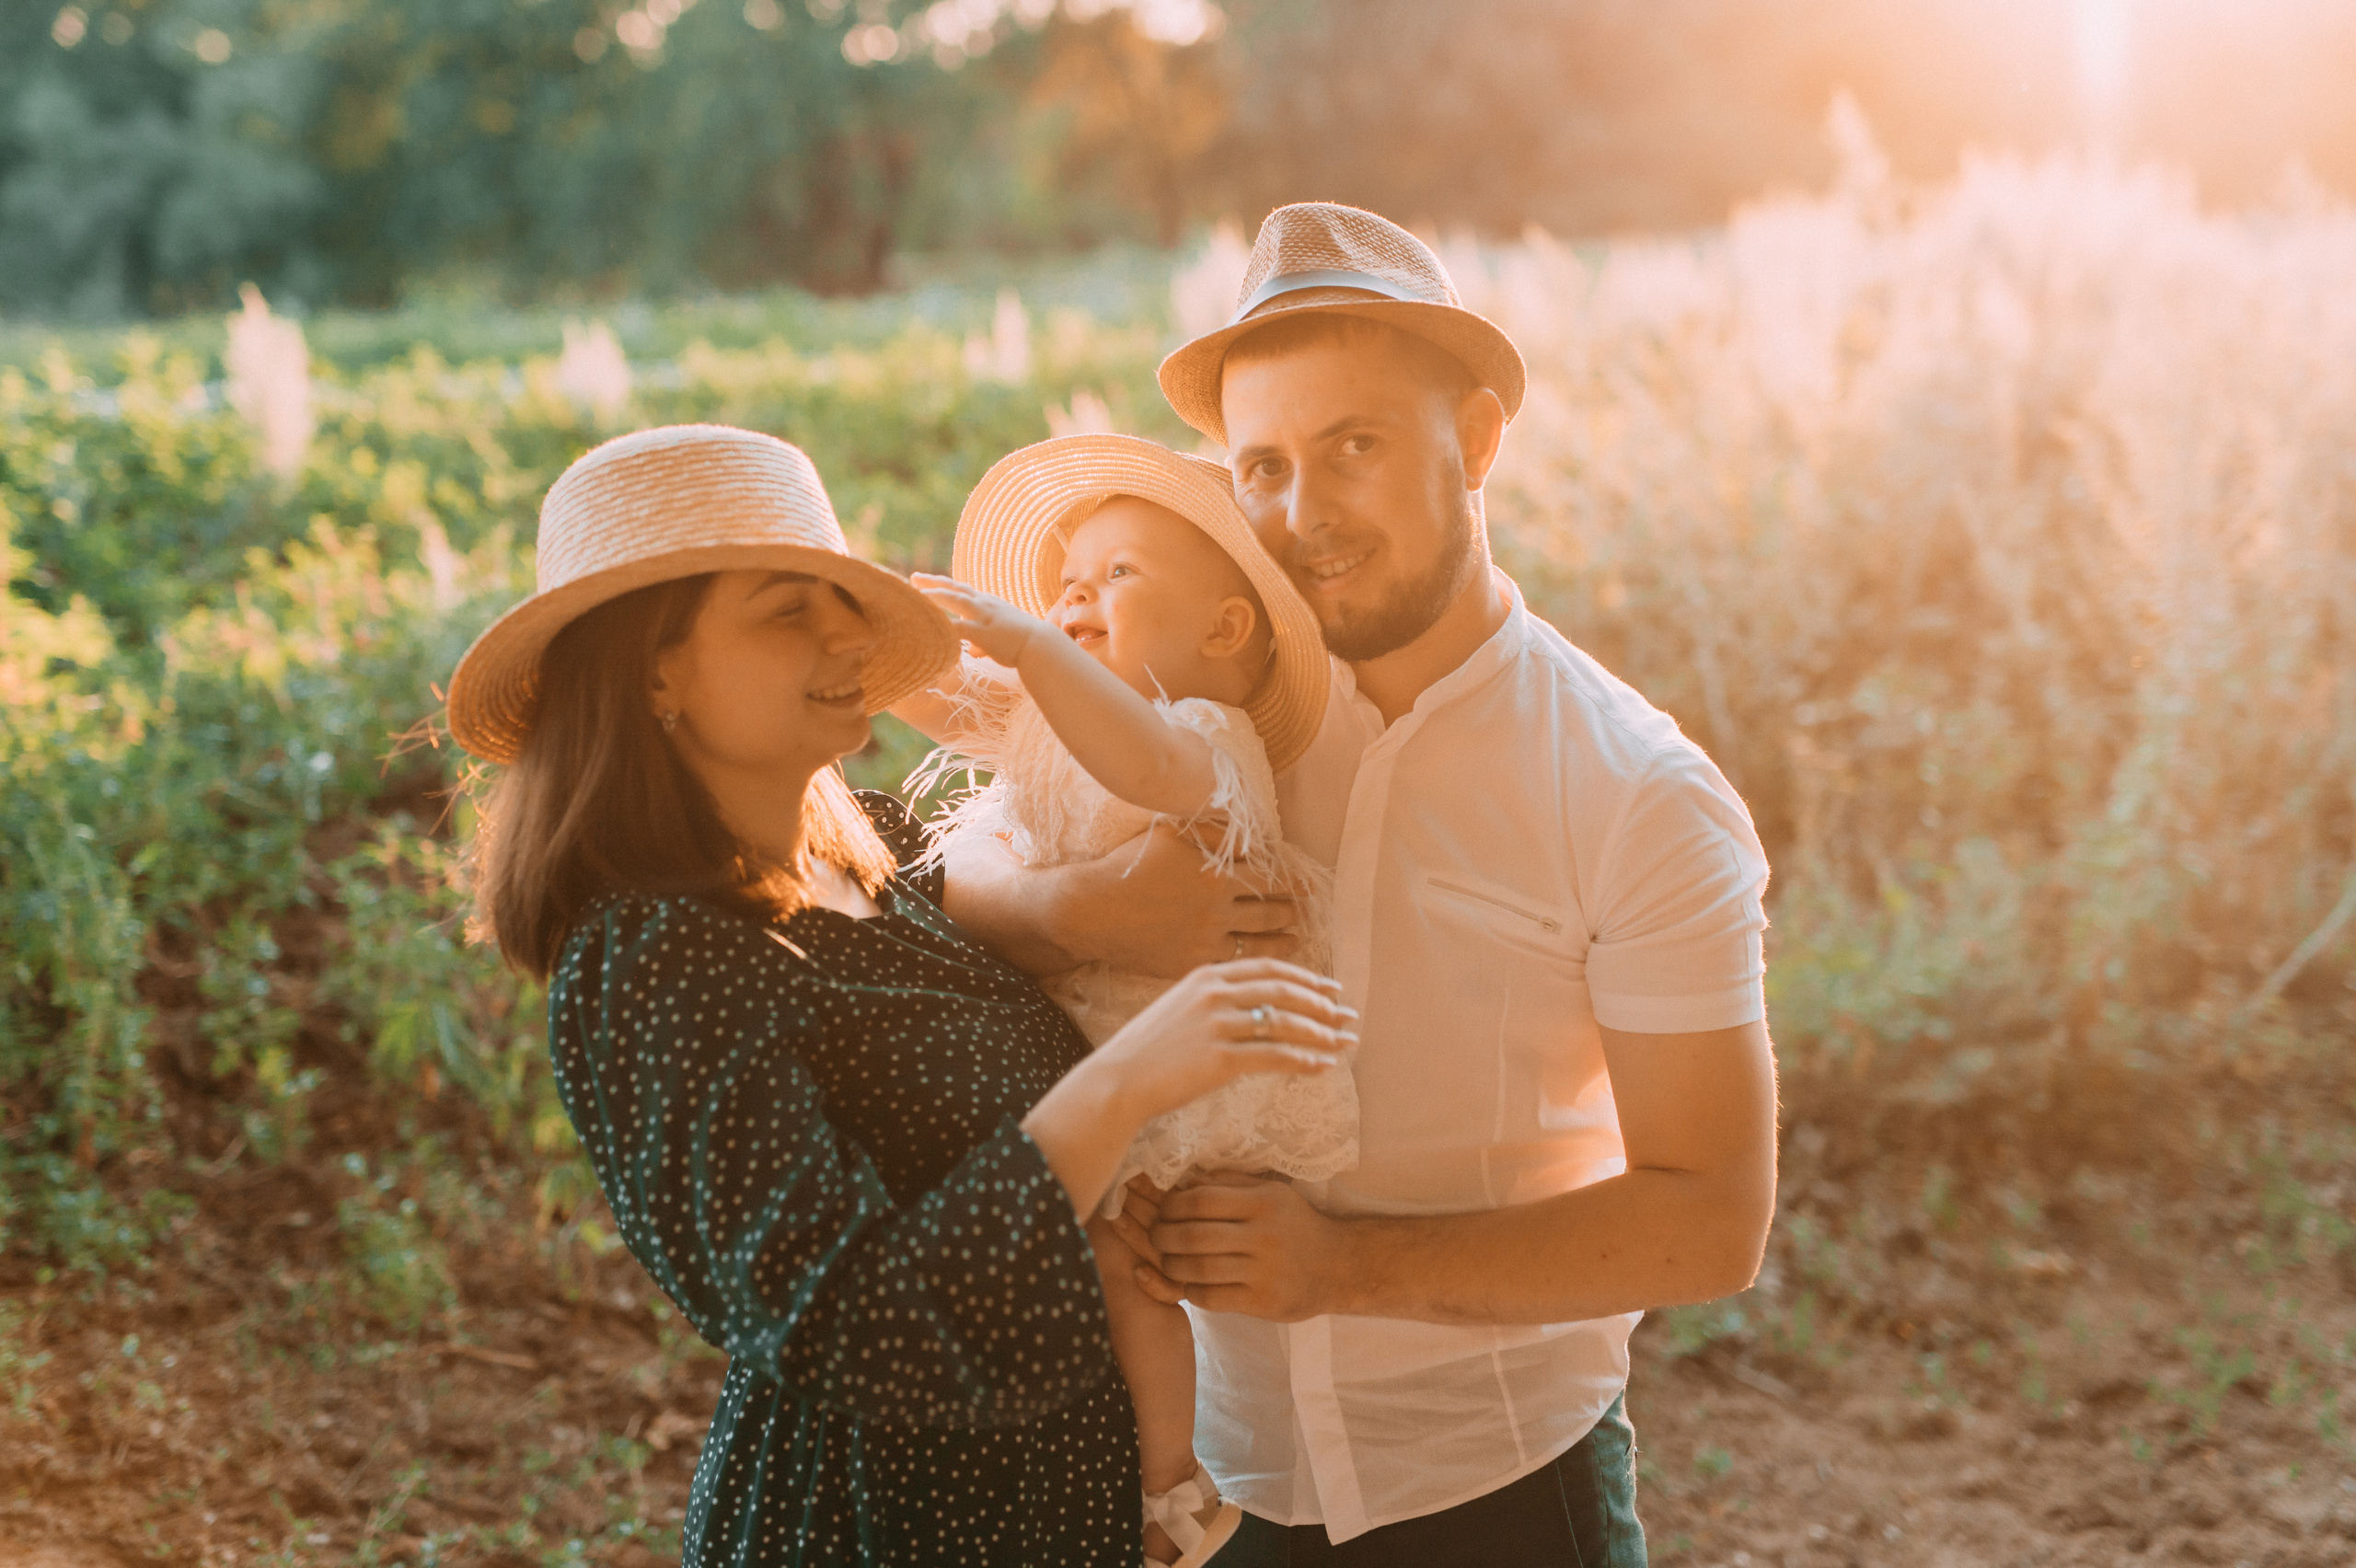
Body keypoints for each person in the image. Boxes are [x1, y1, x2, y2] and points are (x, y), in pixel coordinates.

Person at [943, 205, 1780, 1566]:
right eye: (1261, 465)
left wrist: (1346, 1270)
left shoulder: (1636, 789)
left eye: (1355, 448)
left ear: (1481, 438)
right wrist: (1080, 916)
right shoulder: (1210, 706)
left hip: (1501, 1491)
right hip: (1214, 1490)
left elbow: (1709, 1219)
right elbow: (971, 853)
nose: (1302, 513)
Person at [442, 422, 1359, 1568]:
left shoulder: (879, 850)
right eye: (789, 610)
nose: (850, 635)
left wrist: (1091, 913)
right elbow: (848, 1320)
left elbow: (995, 868)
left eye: (845, 599)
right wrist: (1128, 1079)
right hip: (881, 1528)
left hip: (1060, 1508)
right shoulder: (655, 962)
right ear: (653, 670)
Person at [893, 433, 1356, 1568]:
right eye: (1067, 580)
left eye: (1116, 577)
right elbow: (961, 714)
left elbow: (1135, 764)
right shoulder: (1067, 719)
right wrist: (878, 644)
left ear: (1223, 629)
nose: (1073, 597)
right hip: (1099, 1044)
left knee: (1122, 1257)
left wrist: (1037, 652)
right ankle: (1130, 1465)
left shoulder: (1202, 736)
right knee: (1099, 1252)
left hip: (1183, 1063)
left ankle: (1166, 1487)